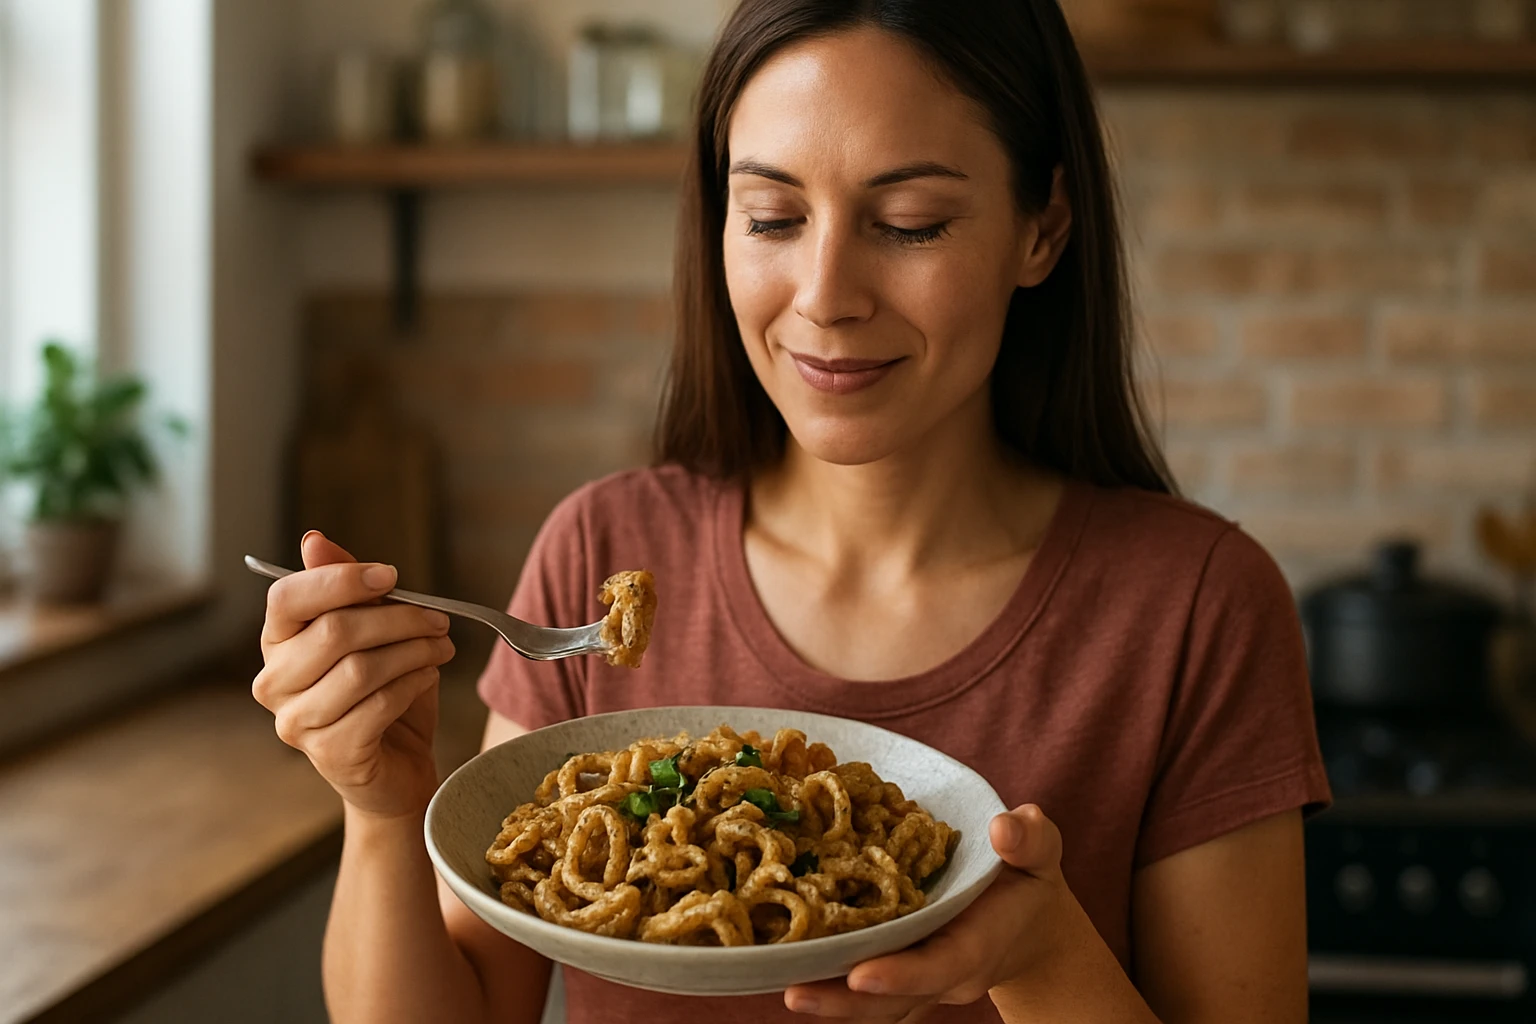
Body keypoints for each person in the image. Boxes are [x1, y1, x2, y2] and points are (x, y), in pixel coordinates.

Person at [252, 1, 1331, 1021]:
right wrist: (385, 809)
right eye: (771, 215)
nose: (824, 294)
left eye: (909, 223)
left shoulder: (1197, 608)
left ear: (1043, 229)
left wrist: (1043, 957)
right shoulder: (603, 552)